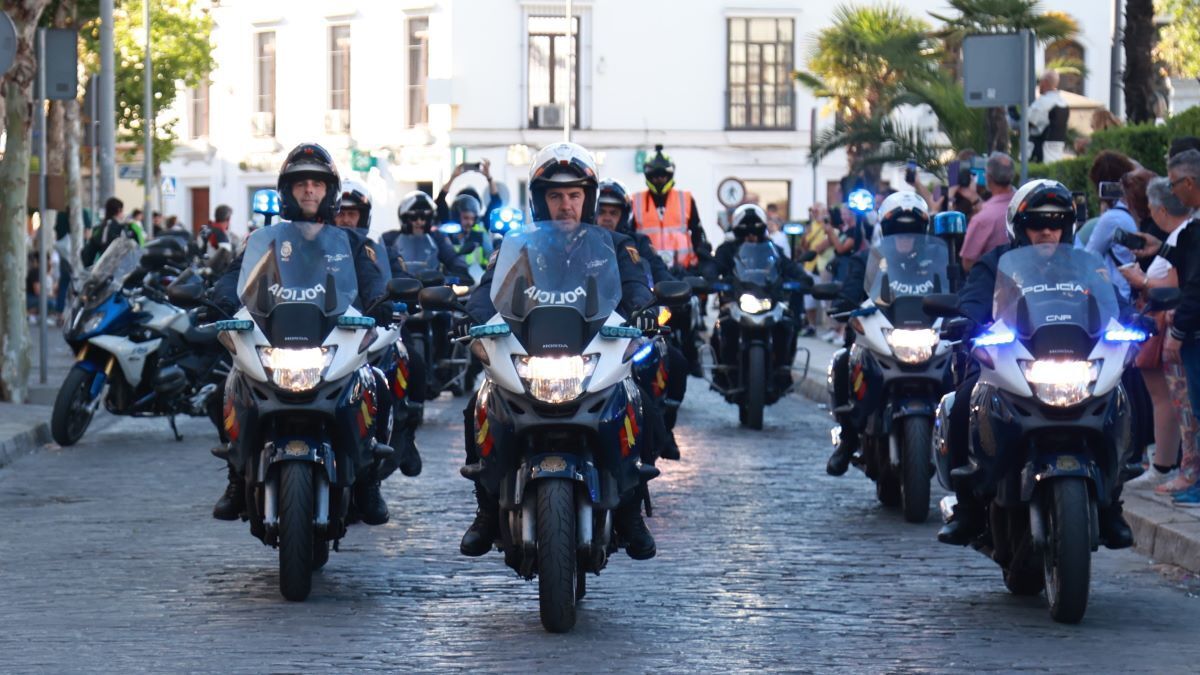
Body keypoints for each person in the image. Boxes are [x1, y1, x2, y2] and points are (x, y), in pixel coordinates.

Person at [458, 142, 659, 560]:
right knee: (481, 400)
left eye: (573, 195)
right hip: (532, 350)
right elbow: (486, 291)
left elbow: (637, 286)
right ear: (540, 200)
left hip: (595, 350)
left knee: (640, 401)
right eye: (555, 195)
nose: (565, 205)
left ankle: (630, 510)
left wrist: (645, 312)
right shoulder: (519, 246)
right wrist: (469, 316)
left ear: (588, 198)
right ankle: (485, 507)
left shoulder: (617, 246)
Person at [937, 179, 1134, 548]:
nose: (1047, 230)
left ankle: (1112, 503)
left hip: (1078, 362)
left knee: (1122, 397)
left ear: (1068, 227)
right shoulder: (994, 263)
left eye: (1056, 223)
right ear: (1019, 226)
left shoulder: (1087, 265)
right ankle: (968, 506)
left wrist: (1132, 320)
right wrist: (965, 319)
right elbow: (975, 299)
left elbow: (1114, 306)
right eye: (1037, 223)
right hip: (1013, 361)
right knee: (963, 399)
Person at [209, 142, 394, 525]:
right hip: (277, 339)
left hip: (333, 343)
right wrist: (219, 299)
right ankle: (235, 474)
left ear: (330, 192)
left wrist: (384, 303)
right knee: (226, 386)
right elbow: (233, 279)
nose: (309, 190)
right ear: (286, 191)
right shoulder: (265, 241)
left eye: (317, 184)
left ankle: (368, 480)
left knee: (377, 383)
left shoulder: (354, 243)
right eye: (300, 184)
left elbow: (374, 284)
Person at [825, 191, 932, 476]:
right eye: (898, 231)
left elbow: (956, 288)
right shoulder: (866, 260)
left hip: (926, 336)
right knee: (843, 360)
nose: (905, 237)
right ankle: (848, 440)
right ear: (887, 231)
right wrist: (844, 306)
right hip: (880, 336)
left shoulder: (937, 260)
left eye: (912, 231)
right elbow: (850, 292)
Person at [596, 177, 685, 460]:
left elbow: (654, 273)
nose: (607, 218)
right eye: (602, 211)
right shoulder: (569, 242)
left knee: (673, 361)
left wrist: (662, 299)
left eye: (613, 213)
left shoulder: (634, 245)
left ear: (623, 216)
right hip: (582, 332)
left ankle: (659, 436)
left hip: (626, 329)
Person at [1131, 148, 1200, 505]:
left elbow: (1191, 284)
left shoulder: (1194, 228)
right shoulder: (1188, 230)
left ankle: (1191, 476)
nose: (1175, 193)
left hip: (1186, 328)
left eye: (1175, 184)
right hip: (1185, 327)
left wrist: (1177, 330)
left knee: (1191, 406)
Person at [710, 203, 808, 394]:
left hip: (769, 301)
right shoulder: (727, 249)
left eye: (755, 230)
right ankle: (722, 372)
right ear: (737, 231)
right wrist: (710, 278)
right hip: (736, 301)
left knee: (788, 324)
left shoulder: (773, 249)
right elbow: (714, 266)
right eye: (745, 231)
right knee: (723, 326)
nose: (751, 235)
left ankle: (783, 370)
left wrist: (803, 279)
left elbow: (787, 266)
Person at [631, 144, 714, 276]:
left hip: (684, 271)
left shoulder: (685, 199)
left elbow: (698, 233)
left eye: (663, 176)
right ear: (648, 176)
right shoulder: (635, 201)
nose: (659, 180)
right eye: (654, 176)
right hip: (648, 272)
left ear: (670, 176)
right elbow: (629, 236)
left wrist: (704, 261)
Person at [1085, 151, 1139, 302]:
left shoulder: (1112, 218)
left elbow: (1088, 257)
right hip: (1133, 293)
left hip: (1119, 296)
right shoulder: (1132, 209)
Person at [384, 191, 472, 281]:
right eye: (414, 217)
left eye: (424, 217)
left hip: (432, 288)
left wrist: (461, 271)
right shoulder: (389, 238)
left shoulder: (437, 237)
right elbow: (381, 264)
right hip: (399, 288)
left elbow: (451, 256)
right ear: (404, 218)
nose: (419, 222)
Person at [960, 153, 1015, 271]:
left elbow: (967, 263)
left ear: (988, 177)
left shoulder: (982, 219)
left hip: (992, 283)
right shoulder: (1024, 205)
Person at [82, 197, 142, 265]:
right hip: (124, 268)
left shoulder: (99, 228)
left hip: (103, 269)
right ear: (119, 210)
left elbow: (89, 252)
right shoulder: (127, 228)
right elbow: (138, 247)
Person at [1027, 70, 1069, 163]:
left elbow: (1028, 122)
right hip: (1057, 151)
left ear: (1044, 82)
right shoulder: (1064, 103)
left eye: (1040, 82)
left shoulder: (1042, 102)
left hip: (1040, 151)